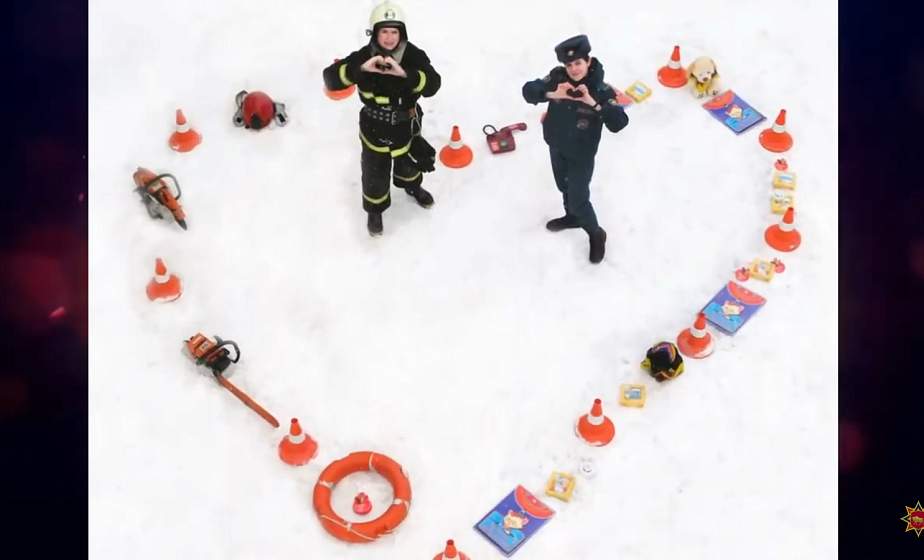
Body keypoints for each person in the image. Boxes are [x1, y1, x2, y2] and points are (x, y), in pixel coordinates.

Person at [323, 1, 441, 237]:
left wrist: (407, 75)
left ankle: (412, 186)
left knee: (408, 164)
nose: (389, 38)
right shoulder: (364, 56)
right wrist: (358, 70)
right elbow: (330, 78)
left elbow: (434, 83)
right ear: (375, 33)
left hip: (406, 125)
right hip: (373, 127)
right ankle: (375, 209)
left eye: (394, 31)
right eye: (384, 31)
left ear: (402, 33)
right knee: (374, 172)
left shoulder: (413, 55)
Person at [522, 35, 629, 264]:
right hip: (556, 145)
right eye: (569, 64)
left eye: (578, 63)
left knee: (580, 198)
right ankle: (572, 217)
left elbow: (619, 123)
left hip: (581, 155)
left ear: (588, 61)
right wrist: (552, 94)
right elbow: (528, 90)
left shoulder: (601, 90)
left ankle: (595, 233)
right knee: (563, 186)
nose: (574, 69)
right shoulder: (558, 78)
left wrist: (594, 103)